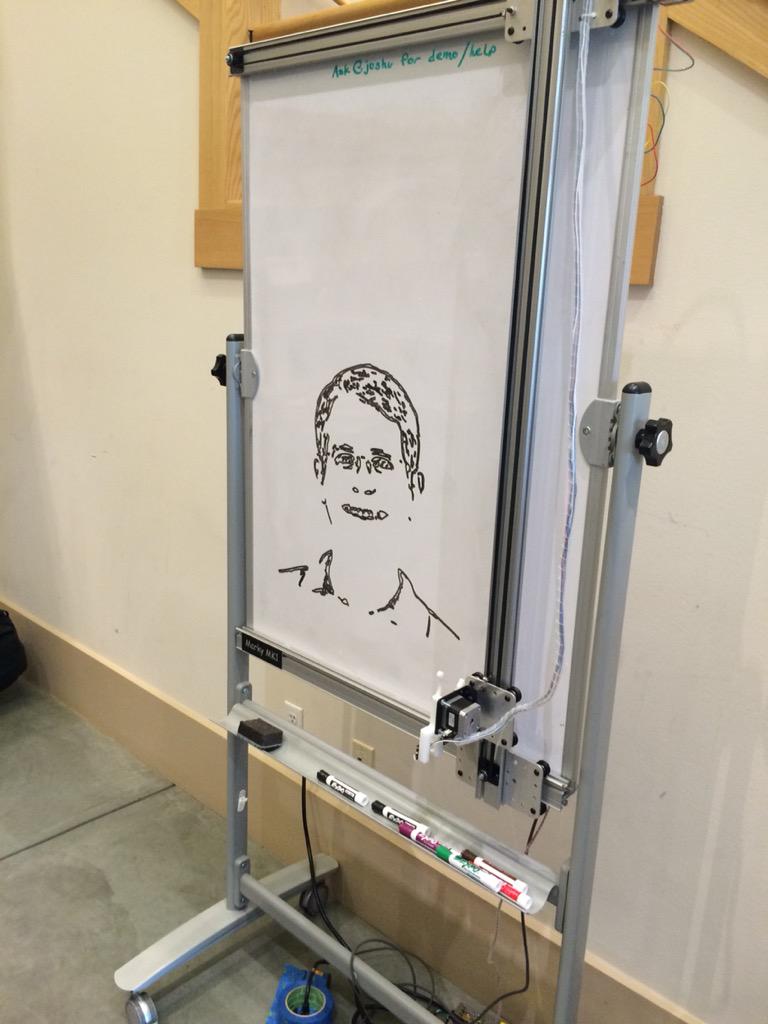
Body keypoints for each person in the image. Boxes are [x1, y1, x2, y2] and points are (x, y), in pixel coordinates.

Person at [279, 363, 459, 640]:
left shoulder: (436, 639)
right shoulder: (277, 602)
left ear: (414, 486)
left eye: (381, 463)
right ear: (320, 473)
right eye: (345, 460)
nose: (362, 484)